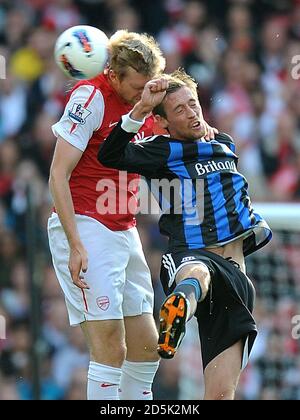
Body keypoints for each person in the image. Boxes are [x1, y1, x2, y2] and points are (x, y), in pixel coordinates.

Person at [97, 70, 272, 400]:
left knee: (221, 395)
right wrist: (140, 110)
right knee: (199, 273)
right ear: (161, 123)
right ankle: (178, 305)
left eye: (193, 105)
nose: (191, 113)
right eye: (179, 110)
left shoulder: (223, 143)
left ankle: (183, 303)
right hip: (191, 255)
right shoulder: (160, 150)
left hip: (236, 278)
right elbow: (110, 154)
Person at [48, 30, 167, 401]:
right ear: (114, 76)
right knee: (110, 347)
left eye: (148, 85)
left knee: (148, 346)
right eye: (136, 87)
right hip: (85, 224)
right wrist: (75, 243)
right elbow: (57, 175)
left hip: (123, 227)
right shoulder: (90, 97)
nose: (142, 94)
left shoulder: (149, 96)